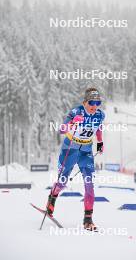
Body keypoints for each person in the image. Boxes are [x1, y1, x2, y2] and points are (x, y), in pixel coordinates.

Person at [46, 87, 105, 231]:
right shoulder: (76, 112)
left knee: (89, 184)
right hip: (70, 149)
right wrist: (73, 123)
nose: (94, 106)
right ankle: (52, 198)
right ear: (84, 102)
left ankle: (88, 219)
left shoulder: (100, 115)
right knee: (62, 181)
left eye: (98, 103)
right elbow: (62, 129)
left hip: (86, 151)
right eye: (91, 103)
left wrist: (100, 142)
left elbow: (98, 128)